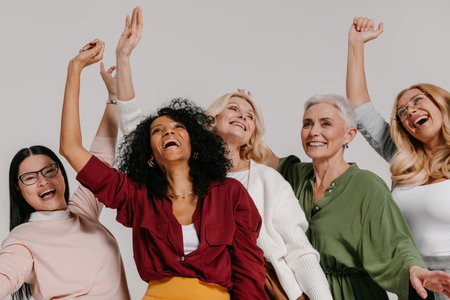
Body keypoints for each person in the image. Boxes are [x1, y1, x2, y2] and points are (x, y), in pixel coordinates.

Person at [109, 7, 332, 300]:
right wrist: (123, 59)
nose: (242, 116)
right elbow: (137, 129)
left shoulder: (268, 180)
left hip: (267, 290)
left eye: (250, 115)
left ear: (254, 131)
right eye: (234, 108)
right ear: (212, 119)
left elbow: (299, 250)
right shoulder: (184, 175)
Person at [59, 10, 268, 300]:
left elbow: (249, 271)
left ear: (195, 146)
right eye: (158, 131)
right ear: (149, 154)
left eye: (177, 127)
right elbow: (70, 148)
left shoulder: (230, 194)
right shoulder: (137, 197)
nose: (168, 132)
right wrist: (75, 68)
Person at [265, 93, 450, 300]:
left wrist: (414, 270)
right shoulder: (295, 174)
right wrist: (241, 113)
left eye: (326, 124)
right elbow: (254, 152)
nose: (314, 131)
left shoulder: (368, 186)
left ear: (349, 135)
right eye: (307, 124)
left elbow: (397, 244)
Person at [0, 42, 130, 299]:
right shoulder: (23, 238)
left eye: (49, 170)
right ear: (19, 189)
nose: (42, 182)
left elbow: (101, 158)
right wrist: (75, 68)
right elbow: (5, 276)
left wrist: (113, 98)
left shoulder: (84, 211)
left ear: (61, 173)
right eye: (29, 177)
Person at [346, 16, 450, 300]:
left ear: (440, 103)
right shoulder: (401, 158)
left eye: (418, 101)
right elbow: (360, 111)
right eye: (402, 112)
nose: (410, 111)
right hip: (417, 281)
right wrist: (355, 45)